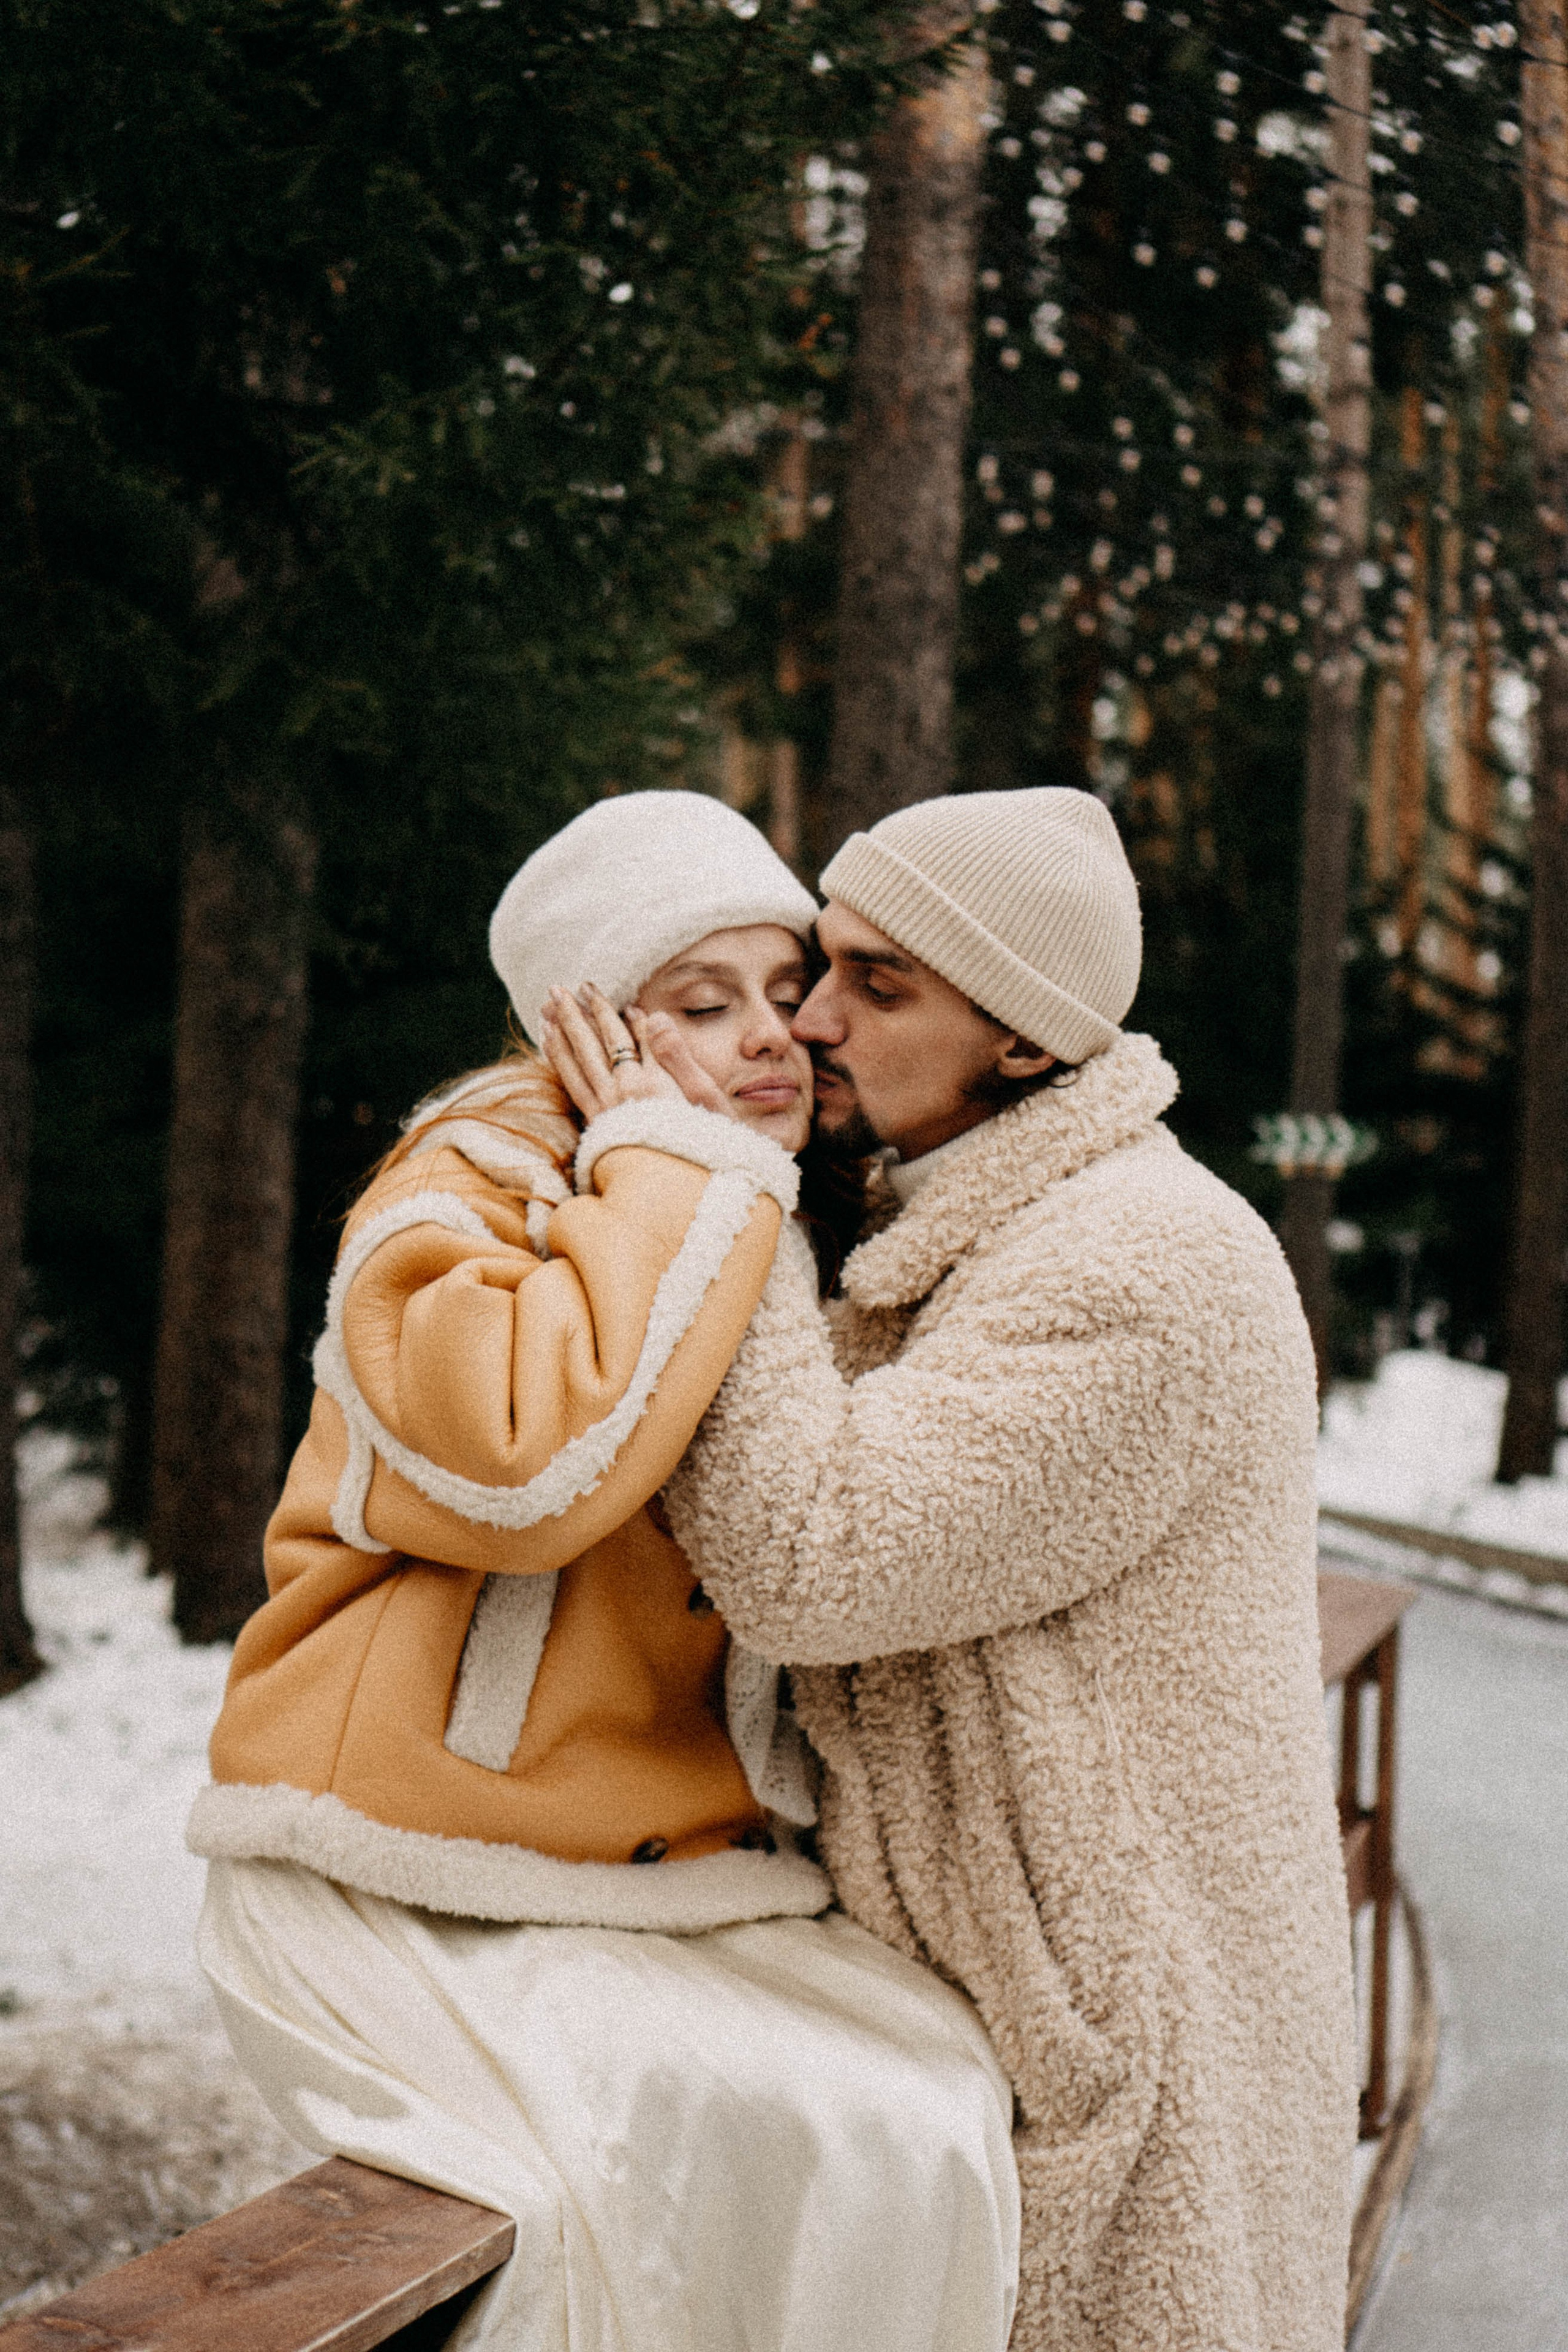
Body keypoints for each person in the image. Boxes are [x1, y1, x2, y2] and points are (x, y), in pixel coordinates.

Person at [187, 791, 1020, 2352]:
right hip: (403, 1866)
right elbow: (523, 1463)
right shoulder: (461, 1187)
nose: (771, 1036)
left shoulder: (763, 1206)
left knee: (936, 2105)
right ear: (577, 1030)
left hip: (662, 1881)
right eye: (700, 1004)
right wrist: (673, 1162)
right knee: (699, 2177)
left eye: (785, 992)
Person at [592, 788, 1359, 2352]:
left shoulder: (1143, 1262)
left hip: (1126, 2047)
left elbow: (813, 1559)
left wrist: (707, 1176)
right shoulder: (962, 1222)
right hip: (988, 2017)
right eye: (823, 962)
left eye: (877, 986)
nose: (810, 1019)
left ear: (1019, 1041)